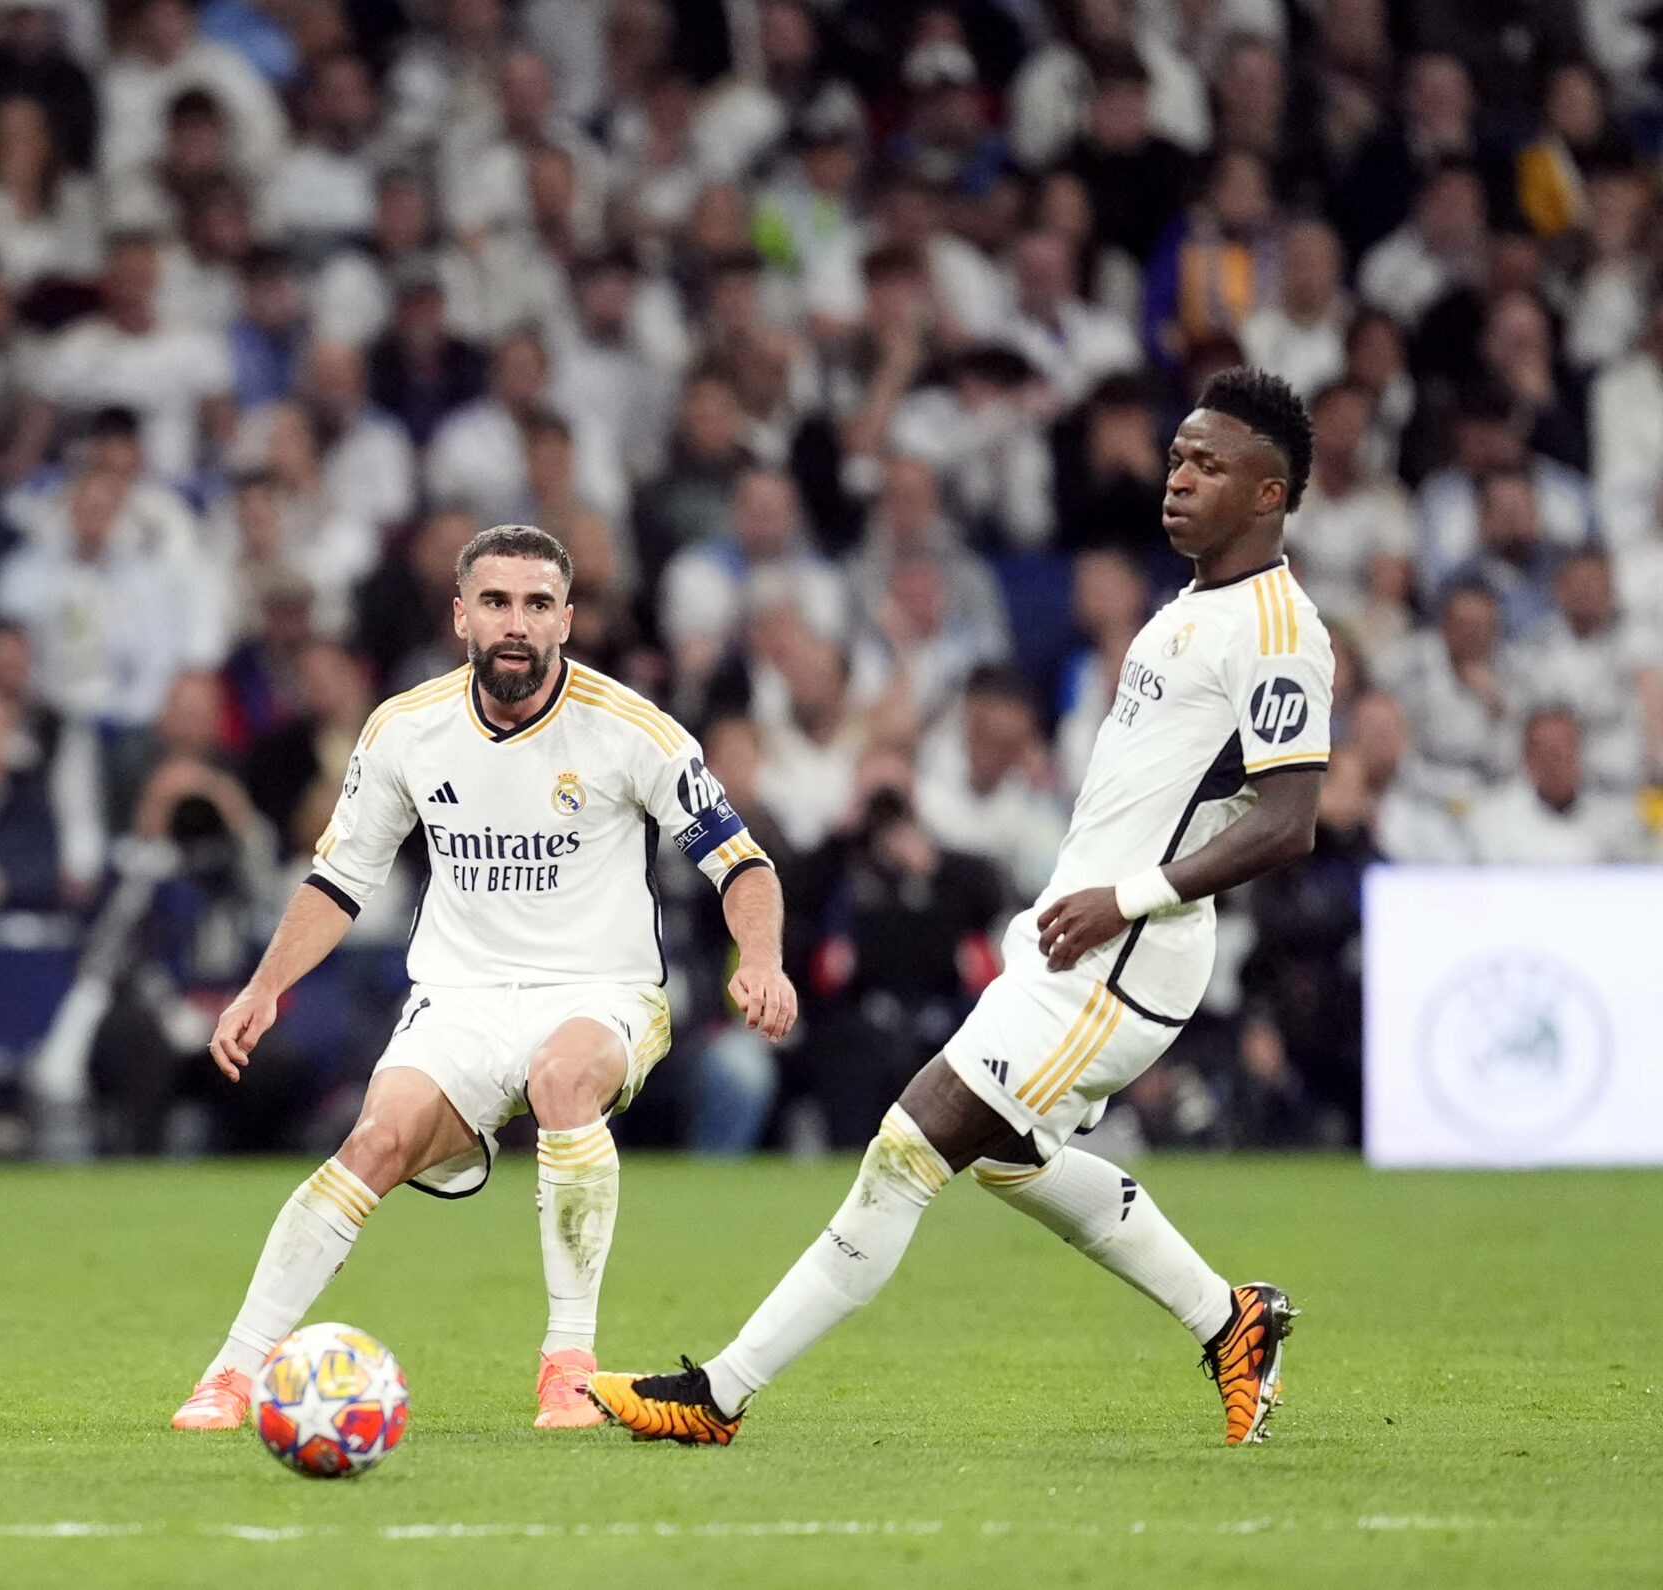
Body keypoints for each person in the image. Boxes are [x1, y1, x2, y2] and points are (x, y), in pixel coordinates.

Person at [591, 368, 1331, 1449]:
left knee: (906, 1149)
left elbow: (1289, 819)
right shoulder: (1189, 606)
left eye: (1207, 465)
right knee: (1005, 1158)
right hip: (1079, 938)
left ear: (1269, 495)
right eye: (1175, 456)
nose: (1176, 479)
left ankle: (718, 1395)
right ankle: (1229, 1321)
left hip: (1125, 956)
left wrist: (1119, 898)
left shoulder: (1277, 627)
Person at [167, 524, 798, 1434]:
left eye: (537, 604)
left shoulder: (631, 730)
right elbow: (340, 879)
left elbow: (743, 864)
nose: (516, 623)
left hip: (601, 991)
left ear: (567, 620)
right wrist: (264, 989)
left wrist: (764, 962)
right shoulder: (406, 730)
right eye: (496, 602)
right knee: (372, 1146)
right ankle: (230, 1373)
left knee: (562, 1077)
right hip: (460, 999)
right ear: (461, 613)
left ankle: (568, 1366)